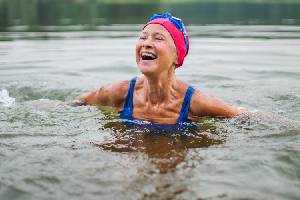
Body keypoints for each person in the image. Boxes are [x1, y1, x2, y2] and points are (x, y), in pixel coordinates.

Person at [75, 12, 241, 126]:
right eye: (143, 37)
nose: (146, 43)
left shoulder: (196, 103)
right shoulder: (117, 93)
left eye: (158, 38)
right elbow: (79, 102)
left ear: (177, 56)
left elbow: (245, 117)